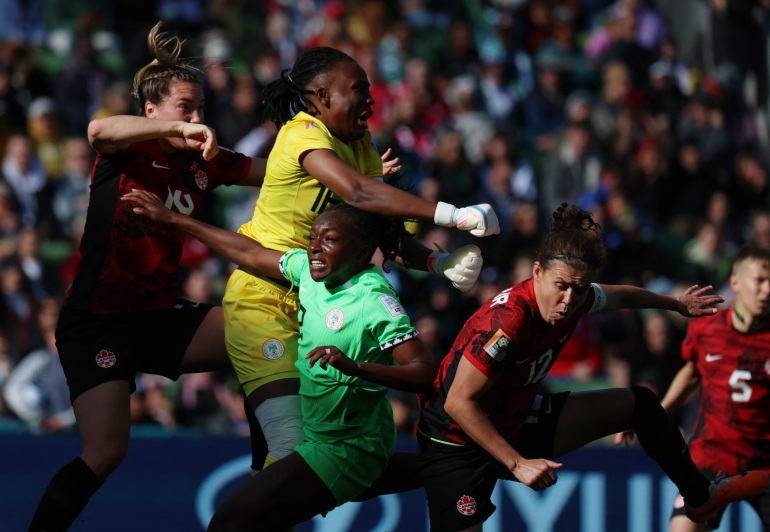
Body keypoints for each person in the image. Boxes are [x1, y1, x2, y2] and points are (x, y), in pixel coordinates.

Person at [26, 21, 273, 531]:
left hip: (158, 314)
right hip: (98, 320)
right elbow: (97, 131)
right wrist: (174, 131)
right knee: (106, 451)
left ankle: (270, 468)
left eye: (201, 109)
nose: (197, 119)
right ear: (151, 110)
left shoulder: (205, 162)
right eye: (186, 108)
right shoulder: (128, 148)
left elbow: (278, 172)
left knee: (260, 333)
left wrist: (356, 174)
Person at [219, 45, 499, 475]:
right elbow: (360, 193)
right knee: (293, 450)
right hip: (264, 297)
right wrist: (452, 214)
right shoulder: (302, 134)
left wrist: (437, 263)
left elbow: (377, 232)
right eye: (359, 90)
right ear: (322, 95)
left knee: (330, 451)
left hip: (318, 307)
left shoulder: (361, 145)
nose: (370, 101)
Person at [416, 203, 769, 532]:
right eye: (562, 287)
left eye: (580, 289)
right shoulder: (508, 323)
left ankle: (701, 499)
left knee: (641, 405)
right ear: (537, 272)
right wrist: (518, 463)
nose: (569, 300)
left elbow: (622, 295)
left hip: (514, 417)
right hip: (456, 438)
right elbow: (458, 402)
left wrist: (674, 303)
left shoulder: (577, 296)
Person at [123, 193, 439, 530]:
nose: (315, 248)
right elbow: (249, 252)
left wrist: (356, 367)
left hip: (342, 447)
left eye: (329, 240)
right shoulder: (310, 271)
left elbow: (425, 373)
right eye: (313, 238)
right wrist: (174, 219)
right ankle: (452, 463)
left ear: (362, 252)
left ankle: (451, 464)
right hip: (342, 434)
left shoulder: (373, 301)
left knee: (230, 522)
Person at [659, 245, 770, 531]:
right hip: (711, 456)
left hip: (763, 463)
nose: (767, 290)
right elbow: (692, 372)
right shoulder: (707, 327)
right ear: (736, 282)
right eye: (760, 281)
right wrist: (656, 413)